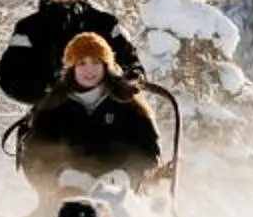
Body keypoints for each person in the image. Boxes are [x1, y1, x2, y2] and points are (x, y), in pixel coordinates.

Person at [11, 32, 165, 203]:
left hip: (121, 196)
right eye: (82, 63)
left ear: (107, 65)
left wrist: (125, 175)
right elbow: (34, 157)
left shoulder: (127, 103)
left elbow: (149, 152)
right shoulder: (52, 106)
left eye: (96, 62)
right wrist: (62, 176)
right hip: (64, 198)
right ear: (72, 68)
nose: (89, 70)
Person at [0, 0, 144, 107]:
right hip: (52, 112)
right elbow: (10, 75)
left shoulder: (105, 23)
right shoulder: (28, 28)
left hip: (106, 109)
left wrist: (128, 81)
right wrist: (45, 91)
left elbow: (130, 61)